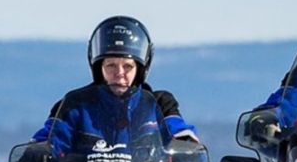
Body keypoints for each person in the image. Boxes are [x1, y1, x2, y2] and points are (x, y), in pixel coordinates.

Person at [33, 16, 198, 151]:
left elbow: (179, 132)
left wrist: (185, 144)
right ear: (99, 68)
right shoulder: (74, 105)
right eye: (111, 65)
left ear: (139, 69)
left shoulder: (160, 104)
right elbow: (48, 139)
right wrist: (37, 153)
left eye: (127, 66)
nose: (119, 74)